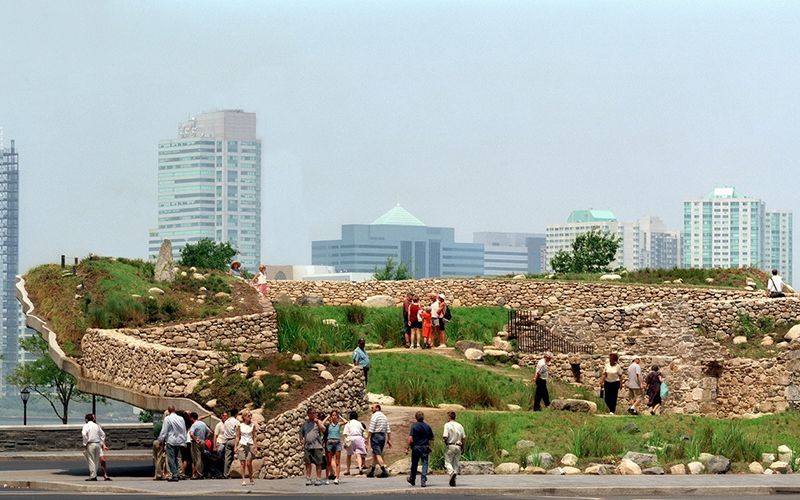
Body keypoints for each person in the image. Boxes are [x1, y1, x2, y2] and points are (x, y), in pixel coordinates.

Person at [157, 406, 188, 482]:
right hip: (179, 441)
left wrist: (160, 440)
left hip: (171, 441)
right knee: (178, 458)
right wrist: (184, 441)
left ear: (169, 410)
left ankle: (174, 475)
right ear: (175, 410)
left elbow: (164, 431)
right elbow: (184, 430)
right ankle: (178, 473)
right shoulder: (181, 419)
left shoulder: (167, 419)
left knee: (171, 459)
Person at [406, 411, 434, 488]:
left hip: (416, 447)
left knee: (414, 464)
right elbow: (432, 437)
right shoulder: (427, 426)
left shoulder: (414, 426)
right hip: (425, 447)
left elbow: (410, 438)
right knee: (425, 464)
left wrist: (407, 448)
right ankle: (423, 480)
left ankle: (412, 479)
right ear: (423, 417)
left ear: (416, 418)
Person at [300, 408, 326, 486]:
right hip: (307, 446)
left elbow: (323, 430)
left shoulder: (318, 422)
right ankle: (308, 478)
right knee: (308, 463)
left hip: (317, 446)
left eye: (314, 413)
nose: (313, 414)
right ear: (308, 414)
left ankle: (318, 479)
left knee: (318, 463)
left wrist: (317, 422)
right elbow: (301, 432)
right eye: (311, 413)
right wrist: (301, 440)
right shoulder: (305, 423)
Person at [366, 403, 391, 478]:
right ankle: (372, 471)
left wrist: (367, 438)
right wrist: (389, 439)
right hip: (383, 436)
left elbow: (371, 428)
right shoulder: (384, 416)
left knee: (377, 454)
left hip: (376, 436)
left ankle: (384, 471)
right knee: (375, 453)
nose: (371, 409)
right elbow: (388, 429)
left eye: (372, 407)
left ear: (377, 408)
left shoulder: (374, 416)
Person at [442, 411, 466, 487]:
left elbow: (445, 436)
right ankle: (453, 480)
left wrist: (446, 442)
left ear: (449, 417)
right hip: (458, 446)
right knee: (456, 463)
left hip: (451, 445)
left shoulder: (447, 425)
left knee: (447, 462)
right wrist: (463, 447)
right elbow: (463, 438)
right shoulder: (460, 425)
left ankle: (451, 473)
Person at [323, 410, 347, 484]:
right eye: (333, 415)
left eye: (335, 415)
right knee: (329, 462)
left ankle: (337, 478)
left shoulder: (338, 424)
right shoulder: (328, 424)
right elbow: (322, 423)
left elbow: (346, 421)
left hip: (337, 443)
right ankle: (327, 478)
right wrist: (327, 417)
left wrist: (340, 417)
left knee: (337, 461)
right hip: (330, 442)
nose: (334, 416)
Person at [82, 412, 106, 481]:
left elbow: (84, 434)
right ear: (93, 419)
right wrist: (101, 442)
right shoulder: (97, 426)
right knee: (96, 460)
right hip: (97, 443)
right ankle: (94, 475)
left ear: (86, 419)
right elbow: (103, 434)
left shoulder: (86, 426)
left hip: (91, 443)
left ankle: (93, 476)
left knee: (91, 460)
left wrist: (85, 443)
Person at [236, 410, 257, 486]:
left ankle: (250, 477)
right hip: (242, 444)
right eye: (248, 416)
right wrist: (236, 446)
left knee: (249, 463)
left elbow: (254, 436)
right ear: (244, 417)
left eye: (250, 415)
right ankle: (243, 479)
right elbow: (237, 436)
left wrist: (255, 446)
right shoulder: (240, 425)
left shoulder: (252, 425)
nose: (250, 417)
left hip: (250, 444)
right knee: (242, 463)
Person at [188, 412, 212, 479]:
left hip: (196, 442)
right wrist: (205, 438)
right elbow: (209, 432)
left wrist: (195, 440)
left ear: (192, 418)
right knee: (201, 458)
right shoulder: (202, 423)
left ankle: (198, 474)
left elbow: (191, 434)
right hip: (202, 441)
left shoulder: (194, 425)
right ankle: (200, 472)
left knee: (197, 458)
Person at [343, 411, 367, 476]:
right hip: (359, 438)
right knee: (358, 454)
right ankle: (360, 467)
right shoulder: (359, 423)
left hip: (351, 438)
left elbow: (345, 433)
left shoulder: (348, 423)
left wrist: (345, 440)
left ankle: (348, 470)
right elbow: (363, 431)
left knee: (349, 455)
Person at [222, 408, 240, 479]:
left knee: (227, 458)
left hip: (227, 441)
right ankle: (236, 472)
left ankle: (226, 474)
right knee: (237, 456)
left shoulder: (226, 421)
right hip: (234, 440)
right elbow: (238, 433)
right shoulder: (236, 422)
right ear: (236, 414)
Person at [211, 411, 228, 479]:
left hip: (226, 443)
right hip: (220, 443)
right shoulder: (219, 425)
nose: (225, 417)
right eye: (224, 416)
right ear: (221, 416)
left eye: (226, 416)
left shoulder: (228, 424)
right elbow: (215, 436)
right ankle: (218, 473)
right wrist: (214, 446)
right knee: (219, 458)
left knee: (225, 459)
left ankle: (224, 473)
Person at [153, 410, 169, 480]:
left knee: (156, 459)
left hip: (155, 441)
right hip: (160, 442)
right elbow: (163, 435)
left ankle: (157, 474)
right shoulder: (164, 425)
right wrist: (162, 445)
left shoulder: (157, 424)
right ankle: (159, 474)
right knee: (161, 459)